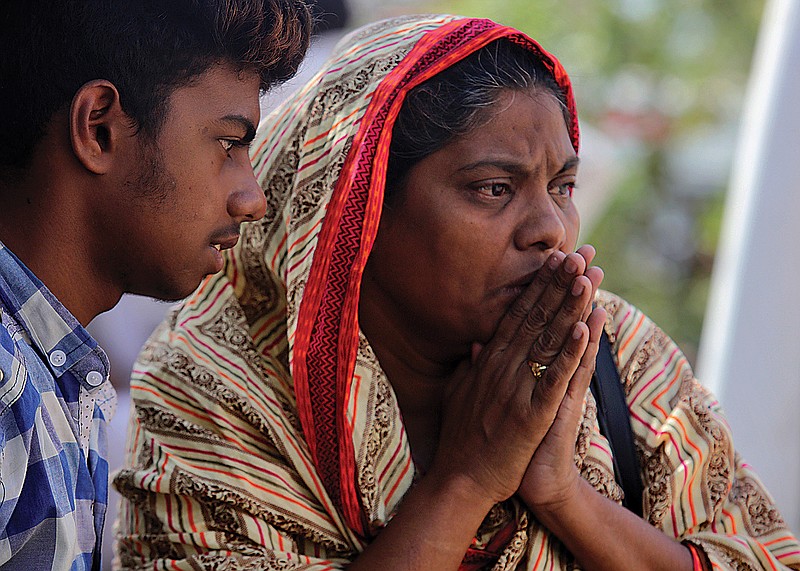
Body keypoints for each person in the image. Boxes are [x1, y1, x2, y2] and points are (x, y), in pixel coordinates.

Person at [113, 14, 800, 570]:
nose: (551, 231)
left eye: (562, 186)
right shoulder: (218, 393)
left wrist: (564, 495)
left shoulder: (621, 361)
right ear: (358, 211)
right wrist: (466, 480)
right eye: (493, 189)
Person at [0, 1, 311, 569]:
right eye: (228, 144)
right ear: (98, 129)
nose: (252, 198)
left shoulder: (57, 370)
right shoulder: (6, 381)